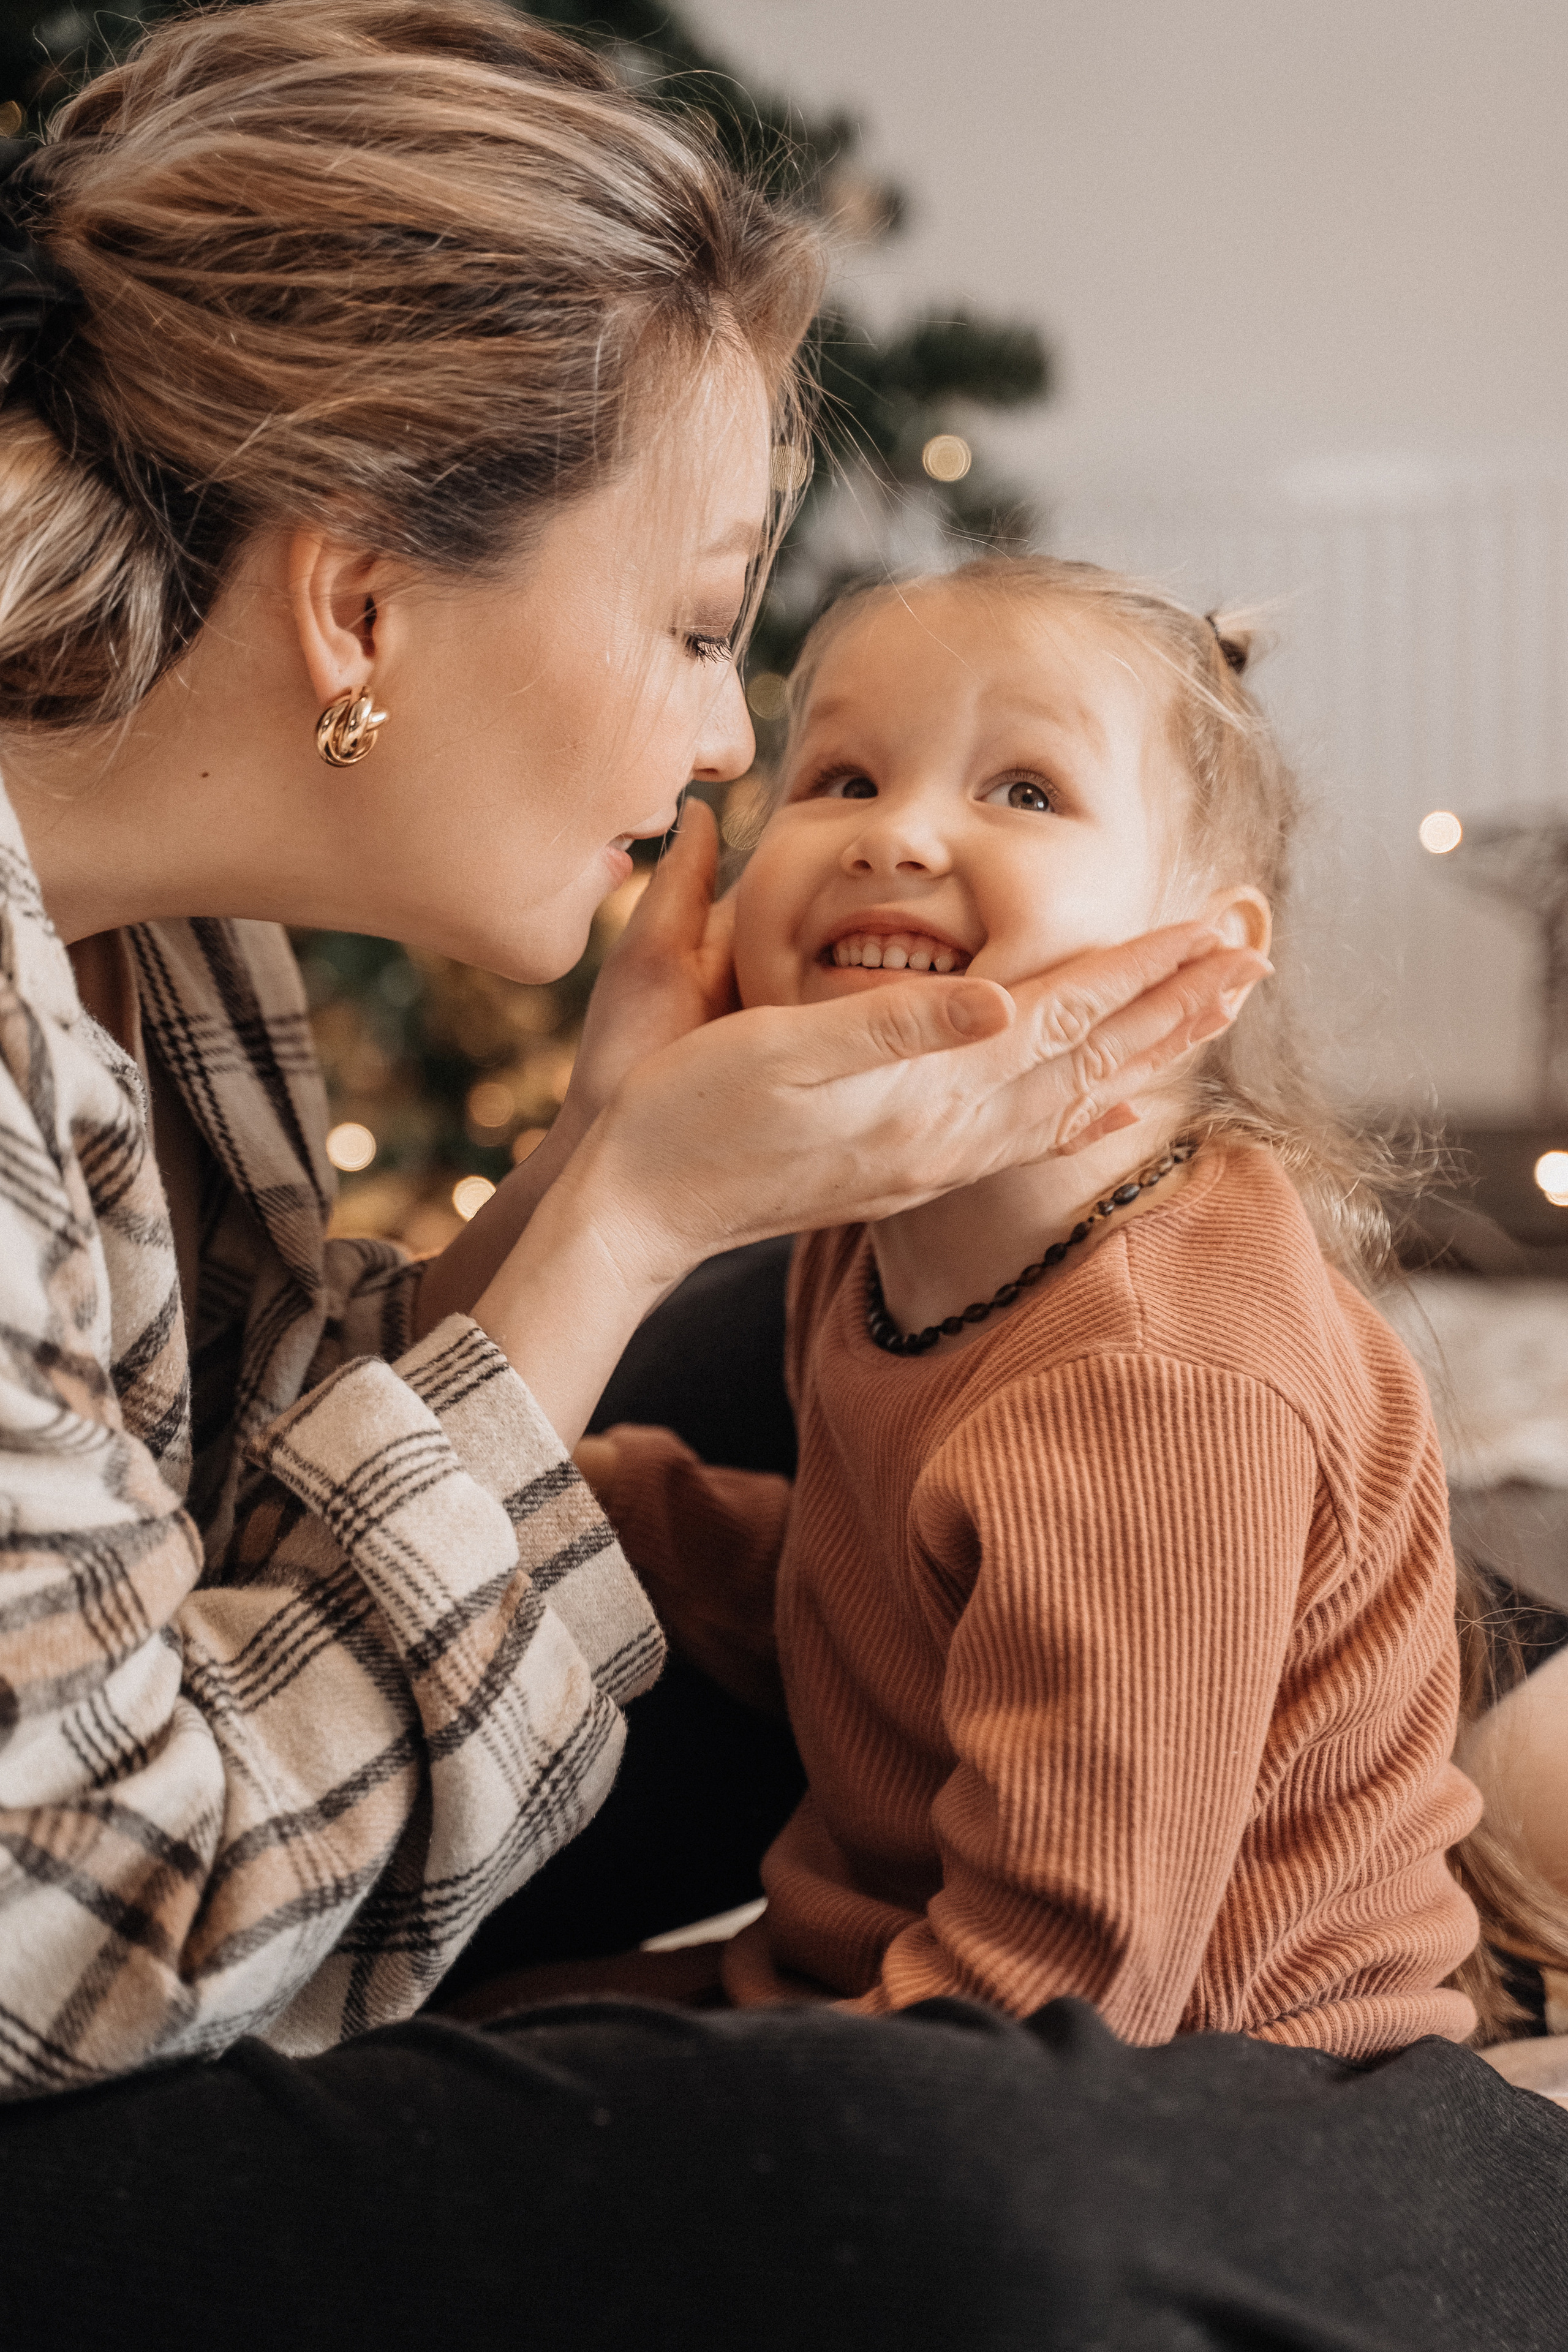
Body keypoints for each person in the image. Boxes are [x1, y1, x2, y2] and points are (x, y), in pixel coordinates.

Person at [0, 7, 1562, 2347]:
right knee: (928, 2171)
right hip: (98, 2016)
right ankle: (1469, 2147)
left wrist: (598, 1179)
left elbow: (244, 1494)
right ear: (359, 605)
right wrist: (619, 1212)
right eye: (711, 627)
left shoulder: (166, 944)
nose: (734, 742)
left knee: (909, 1339)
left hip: (247, 1818)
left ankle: (1495, 1762)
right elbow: (91, 1932)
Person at [576, 557, 1480, 2048]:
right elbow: (890, 1600)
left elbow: (1066, 1984)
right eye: (845, 776)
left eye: (1024, 793)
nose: (897, 836)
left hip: (1164, 2095)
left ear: (1203, 957)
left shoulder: (1157, 1373)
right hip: (890, 1977)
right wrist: (596, 1506)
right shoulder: (872, 1243)